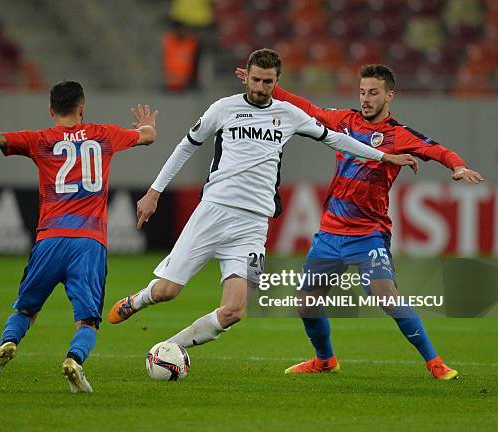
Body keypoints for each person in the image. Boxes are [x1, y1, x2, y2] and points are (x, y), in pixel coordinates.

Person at [108, 49, 417, 353]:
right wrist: (154, 192)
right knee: (167, 291)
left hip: (254, 226)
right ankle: (138, 300)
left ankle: (169, 349)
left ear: (276, 81)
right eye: (255, 80)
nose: (259, 87)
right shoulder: (223, 109)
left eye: (267, 82)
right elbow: (185, 147)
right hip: (213, 211)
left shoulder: (289, 115)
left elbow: (337, 138)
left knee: (234, 311)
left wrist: (384, 156)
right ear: (247, 78)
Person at [0, 81, 158, 393]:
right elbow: (148, 136)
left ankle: (9, 343)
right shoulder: (104, 135)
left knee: (26, 310)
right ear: (82, 107)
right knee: (88, 321)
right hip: (90, 242)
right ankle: (74, 361)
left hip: (50, 239)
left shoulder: (39, 140)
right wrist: (146, 124)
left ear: (51, 110)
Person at [235, 64, 484, 380]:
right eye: (363, 92)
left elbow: (437, 150)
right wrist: (271, 90)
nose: (366, 99)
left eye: (373, 93)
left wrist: (458, 166)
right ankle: (325, 361)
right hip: (330, 232)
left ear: (389, 95)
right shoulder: (345, 121)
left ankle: (435, 363)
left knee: (386, 298)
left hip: (368, 234)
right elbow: (307, 108)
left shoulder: (399, 135)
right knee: (306, 305)